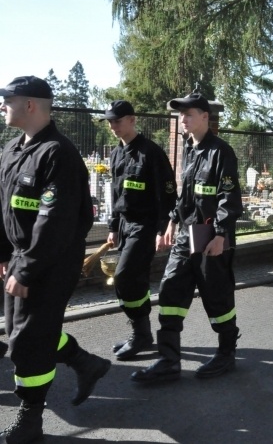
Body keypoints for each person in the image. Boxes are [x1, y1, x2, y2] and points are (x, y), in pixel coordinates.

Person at [0, 76, 111, 442]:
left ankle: (31, 420)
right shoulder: (13, 149)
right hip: (21, 256)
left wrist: (28, 268)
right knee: (22, 335)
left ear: (30, 105)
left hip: (50, 261)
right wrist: (4, 255)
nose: (2, 105)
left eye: (8, 99)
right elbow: (3, 209)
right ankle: (85, 363)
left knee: (28, 340)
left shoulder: (58, 154)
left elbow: (56, 221)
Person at [131, 92, 243, 384]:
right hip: (186, 235)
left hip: (211, 238)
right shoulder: (189, 149)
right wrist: (171, 221)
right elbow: (186, 195)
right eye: (181, 115)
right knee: (170, 292)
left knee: (217, 297)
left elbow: (229, 198)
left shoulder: (221, 152)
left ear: (205, 117)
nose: (183, 119)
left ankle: (226, 353)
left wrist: (221, 234)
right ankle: (169, 360)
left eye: (189, 114)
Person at [102, 100, 178, 361]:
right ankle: (141, 333)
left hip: (145, 226)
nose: (113, 126)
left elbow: (167, 195)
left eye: (118, 121)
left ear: (132, 120)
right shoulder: (116, 154)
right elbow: (115, 194)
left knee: (124, 277)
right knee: (133, 280)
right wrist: (113, 227)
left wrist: (163, 228)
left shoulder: (151, 153)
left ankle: (142, 335)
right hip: (124, 225)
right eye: (110, 121)